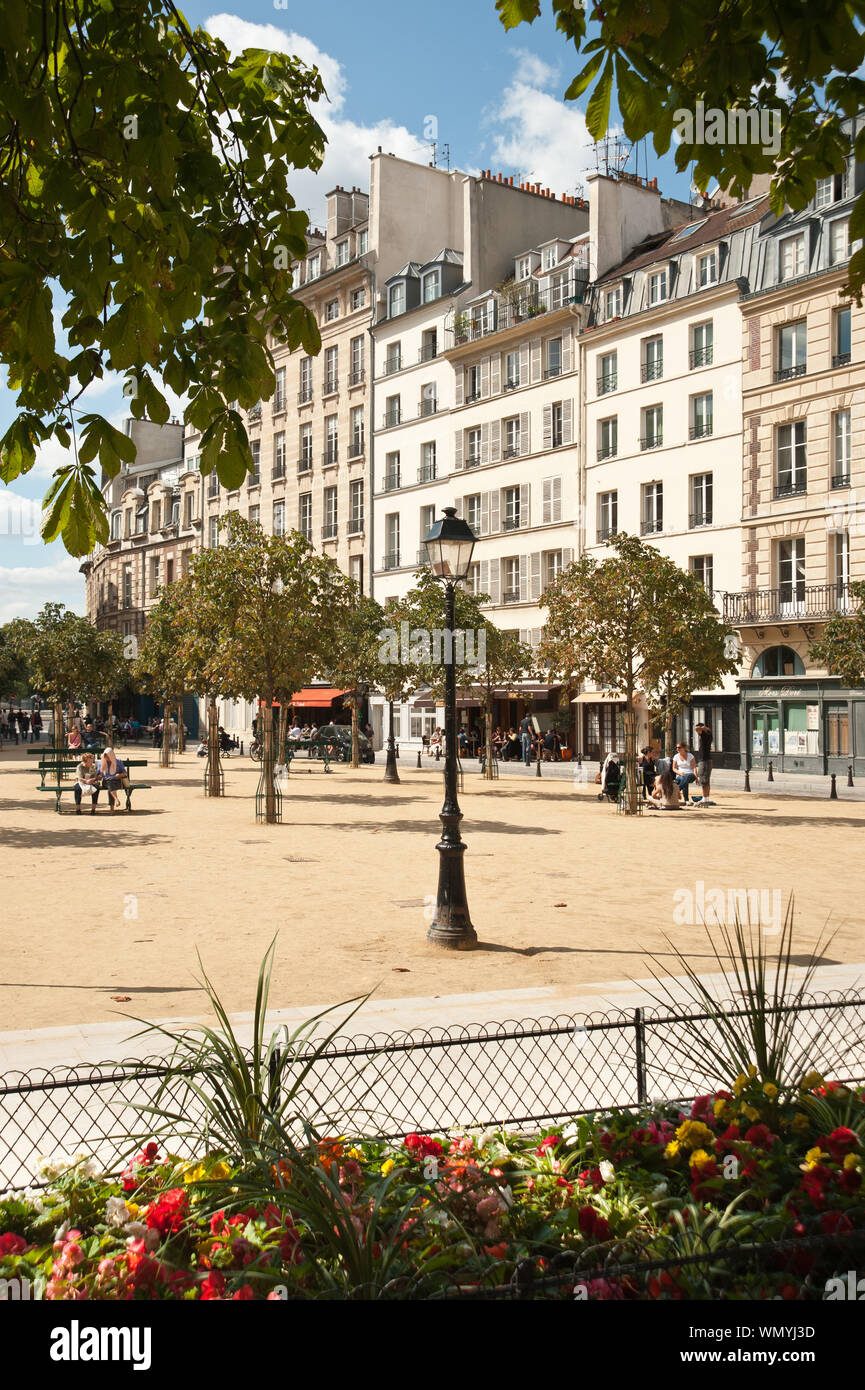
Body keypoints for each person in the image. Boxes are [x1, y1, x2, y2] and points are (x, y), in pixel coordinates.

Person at [99, 746, 127, 812]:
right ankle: (116, 800)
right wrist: (100, 775)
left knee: (110, 785)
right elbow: (99, 774)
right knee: (109, 782)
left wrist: (118, 775)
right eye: (105, 757)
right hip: (106, 781)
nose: (107, 759)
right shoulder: (101, 762)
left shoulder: (118, 761)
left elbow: (125, 773)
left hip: (117, 781)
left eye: (108, 757)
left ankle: (112, 808)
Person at [74, 751, 101, 815]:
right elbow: (79, 778)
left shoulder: (94, 766)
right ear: (85, 761)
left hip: (91, 781)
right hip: (81, 782)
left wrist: (93, 780)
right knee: (77, 788)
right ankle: (78, 809)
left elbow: (96, 776)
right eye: (90, 761)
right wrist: (86, 781)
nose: (92, 762)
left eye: (92, 760)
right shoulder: (80, 766)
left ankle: (93, 809)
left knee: (96, 788)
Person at [694, 722, 714, 804]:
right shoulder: (709, 734)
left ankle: (705, 798)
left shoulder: (704, 734)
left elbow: (696, 729)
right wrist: (706, 728)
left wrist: (703, 728)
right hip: (707, 759)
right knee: (706, 780)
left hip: (704, 760)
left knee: (703, 779)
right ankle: (706, 797)